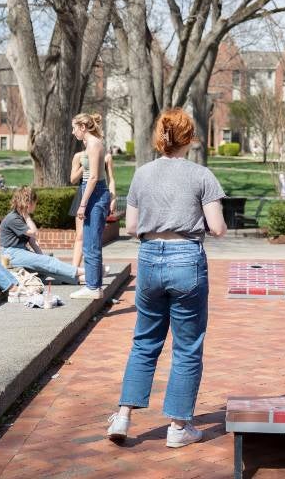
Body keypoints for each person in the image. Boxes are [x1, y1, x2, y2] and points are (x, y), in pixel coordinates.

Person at [107, 108, 226, 446]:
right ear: (188, 138)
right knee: (187, 347)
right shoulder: (201, 175)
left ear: (159, 138)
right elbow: (217, 227)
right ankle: (178, 426)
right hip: (187, 258)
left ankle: (124, 416)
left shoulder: (142, 175)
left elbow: (130, 227)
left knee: (144, 341)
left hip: (148, 258)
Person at [0, 186, 85, 283]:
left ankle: (84, 278)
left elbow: (32, 240)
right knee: (48, 262)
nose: (36, 206)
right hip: (11, 254)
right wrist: (27, 217)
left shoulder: (21, 217)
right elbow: (34, 233)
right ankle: (89, 272)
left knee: (46, 265)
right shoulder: (13, 218)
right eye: (35, 203)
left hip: (20, 252)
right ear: (29, 203)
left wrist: (42, 258)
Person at [69, 112, 112, 299]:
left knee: (91, 244)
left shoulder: (94, 144)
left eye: (74, 128)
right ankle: (94, 286)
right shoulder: (92, 144)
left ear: (83, 127)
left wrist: (82, 204)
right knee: (89, 243)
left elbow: (94, 177)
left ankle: (93, 287)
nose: (73, 132)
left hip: (95, 193)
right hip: (92, 192)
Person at [69, 148, 117, 280]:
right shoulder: (78, 155)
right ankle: (73, 271)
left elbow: (111, 179)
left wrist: (113, 198)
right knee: (80, 235)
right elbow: (73, 179)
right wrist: (85, 166)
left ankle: (93, 270)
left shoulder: (106, 157)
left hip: (98, 195)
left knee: (94, 235)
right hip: (82, 194)